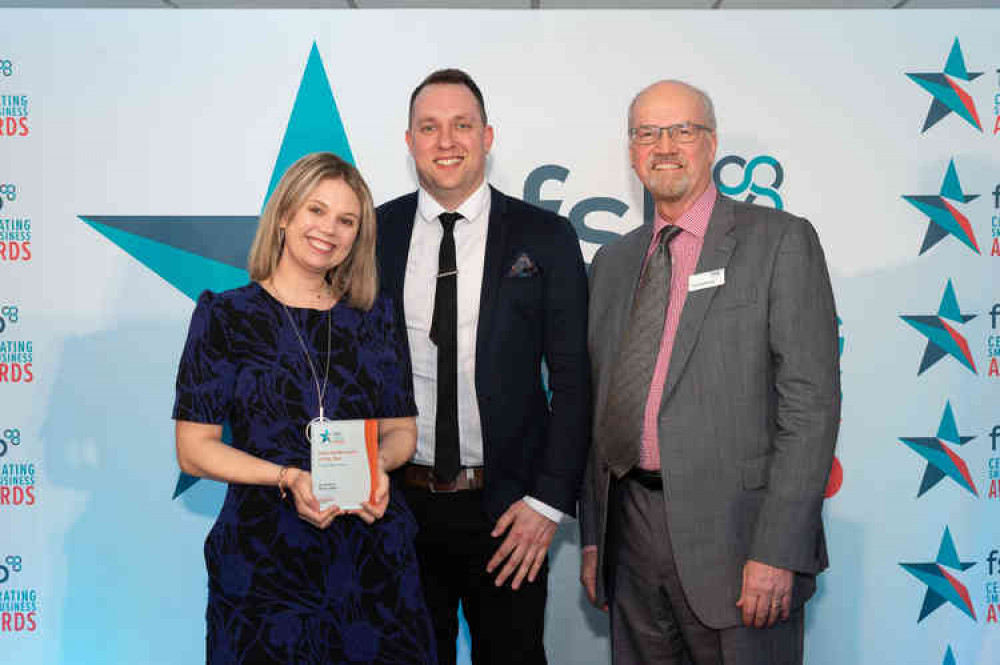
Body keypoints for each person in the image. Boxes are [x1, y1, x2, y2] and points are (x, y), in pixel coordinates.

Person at [579, 80, 840, 665]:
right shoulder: (613, 264)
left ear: (712, 142)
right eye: (647, 133)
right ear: (631, 150)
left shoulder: (779, 242)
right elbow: (600, 407)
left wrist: (778, 549)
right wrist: (595, 535)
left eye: (681, 131)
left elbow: (811, 408)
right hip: (631, 535)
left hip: (740, 540)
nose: (664, 146)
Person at [173, 152, 436, 665]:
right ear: (286, 215)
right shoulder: (225, 316)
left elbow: (402, 428)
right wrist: (289, 477)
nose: (329, 230)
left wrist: (377, 467)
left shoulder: (374, 318)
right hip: (264, 565)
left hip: (372, 558)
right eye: (316, 211)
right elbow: (193, 451)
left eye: (346, 220)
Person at [376, 69, 590, 665]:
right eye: (430, 127)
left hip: (508, 512)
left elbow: (574, 381)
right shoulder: (374, 233)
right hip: (398, 509)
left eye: (462, 125)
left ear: (487, 136)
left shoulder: (545, 236)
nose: (446, 141)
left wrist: (548, 504)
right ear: (410, 140)